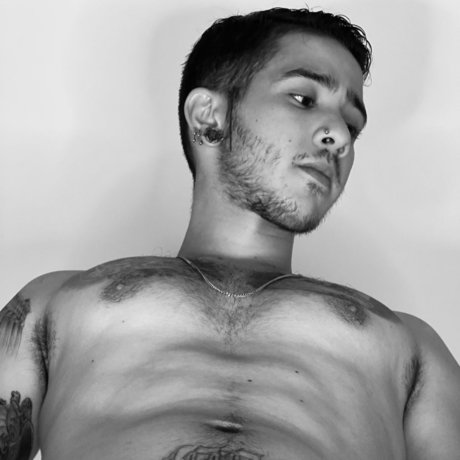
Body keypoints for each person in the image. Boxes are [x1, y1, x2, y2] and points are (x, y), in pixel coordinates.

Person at [1, 7, 459, 460]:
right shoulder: (52, 306)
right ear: (209, 118)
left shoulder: (411, 348)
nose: (339, 135)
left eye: (352, 125)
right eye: (303, 98)